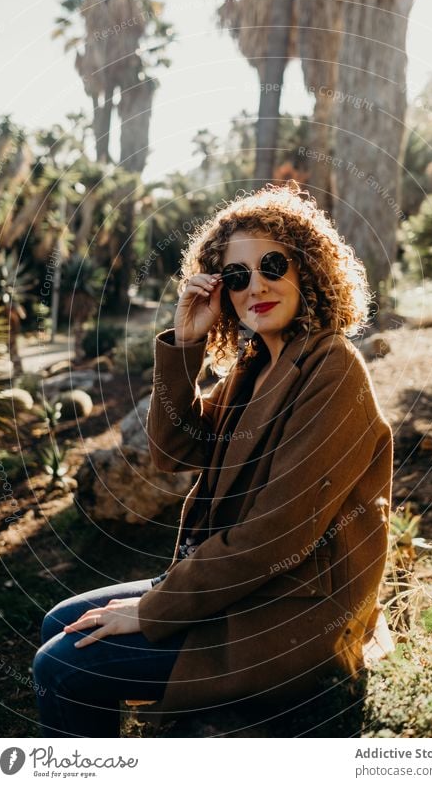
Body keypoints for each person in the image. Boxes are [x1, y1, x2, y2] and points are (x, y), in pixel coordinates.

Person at [33, 181, 394, 738]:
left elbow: (278, 535)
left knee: (59, 665)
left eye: (272, 264)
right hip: (246, 588)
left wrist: (152, 610)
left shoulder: (333, 369)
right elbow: (174, 450)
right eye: (236, 275)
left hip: (292, 610)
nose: (257, 285)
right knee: (60, 621)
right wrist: (186, 346)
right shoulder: (257, 363)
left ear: (308, 269)